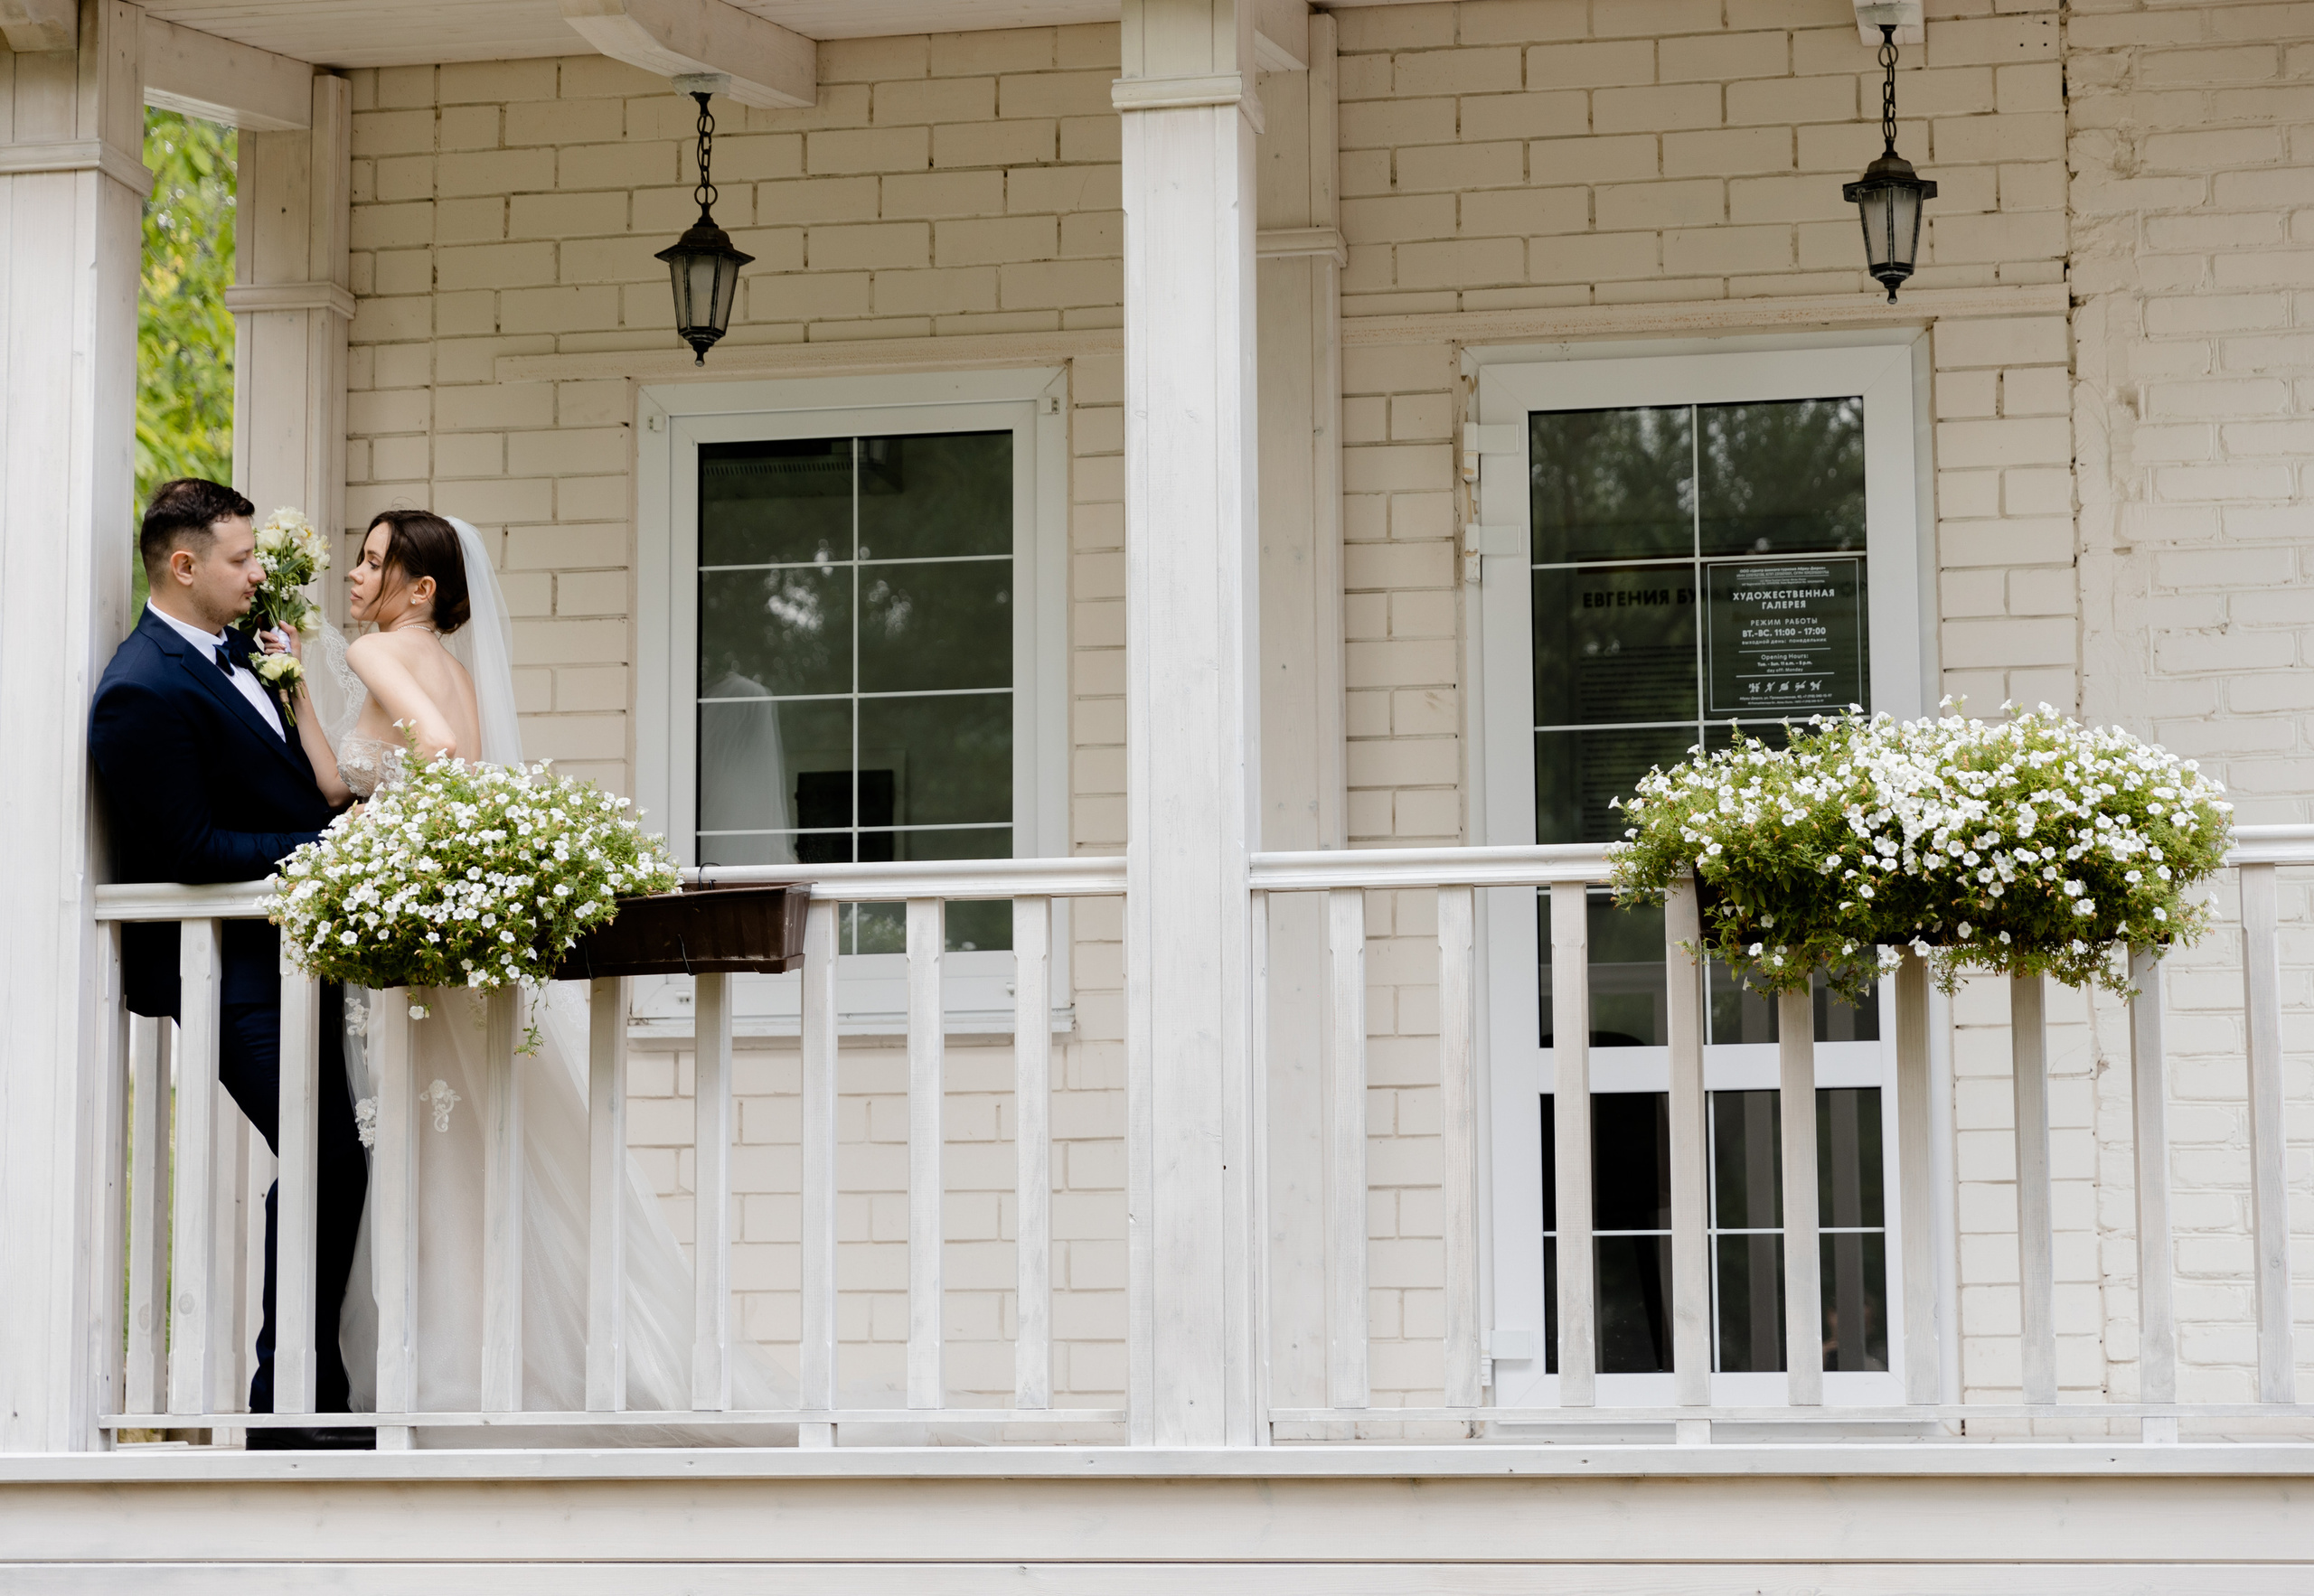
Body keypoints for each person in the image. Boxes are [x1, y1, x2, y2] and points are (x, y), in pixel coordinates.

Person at [269, 510, 785, 1441]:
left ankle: (450, 1376)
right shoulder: (451, 666)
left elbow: (442, 757)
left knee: (434, 1152)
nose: (353, 573)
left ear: (420, 589)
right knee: (470, 1145)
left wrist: (386, 859)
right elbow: (339, 783)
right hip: (448, 945)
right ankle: (495, 1363)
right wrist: (299, 686)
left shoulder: (382, 649)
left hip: (417, 938)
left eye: (374, 560)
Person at [89, 478, 372, 1450]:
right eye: (242, 559)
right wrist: (325, 855)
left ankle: (306, 1387)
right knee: (331, 1155)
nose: (260, 572)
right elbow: (191, 849)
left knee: (332, 1157)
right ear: (183, 564)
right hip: (227, 975)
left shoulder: (246, 652)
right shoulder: (140, 688)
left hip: (296, 960)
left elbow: (303, 785)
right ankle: (290, 1402)